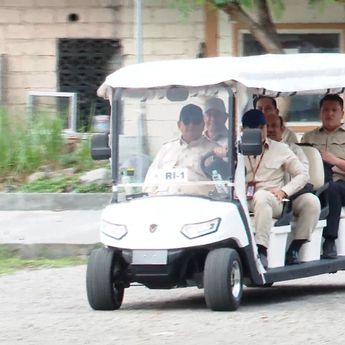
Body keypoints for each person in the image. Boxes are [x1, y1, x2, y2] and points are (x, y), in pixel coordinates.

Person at [241, 109, 308, 268]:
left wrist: (284, 191)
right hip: (242, 199)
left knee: (261, 196)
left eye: (260, 127)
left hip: (272, 200)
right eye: (251, 129)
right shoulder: (234, 150)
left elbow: (302, 175)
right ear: (243, 130)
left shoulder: (280, 149)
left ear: (264, 128)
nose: (258, 132)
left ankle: (261, 249)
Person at [266, 113, 321, 264]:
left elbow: (304, 176)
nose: (270, 130)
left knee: (312, 202)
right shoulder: (257, 150)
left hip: (293, 196)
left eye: (274, 126)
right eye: (267, 127)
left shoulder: (294, 150)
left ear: (282, 129)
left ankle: (295, 247)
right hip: (269, 196)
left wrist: (285, 190)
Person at [301, 94, 345, 259]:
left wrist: (334, 160)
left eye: (334, 110)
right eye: (326, 110)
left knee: (332, 188)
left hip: (341, 185)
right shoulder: (309, 137)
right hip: (315, 185)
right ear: (320, 112)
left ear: (342, 113)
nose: (330, 114)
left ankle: (329, 240)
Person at [143, 104, 218, 196]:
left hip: (199, 203)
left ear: (203, 125)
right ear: (179, 125)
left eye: (196, 121)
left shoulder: (214, 149)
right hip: (163, 202)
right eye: (186, 121)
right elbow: (150, 181)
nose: (191, 125)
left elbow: (221, 185)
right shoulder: (166, 148)